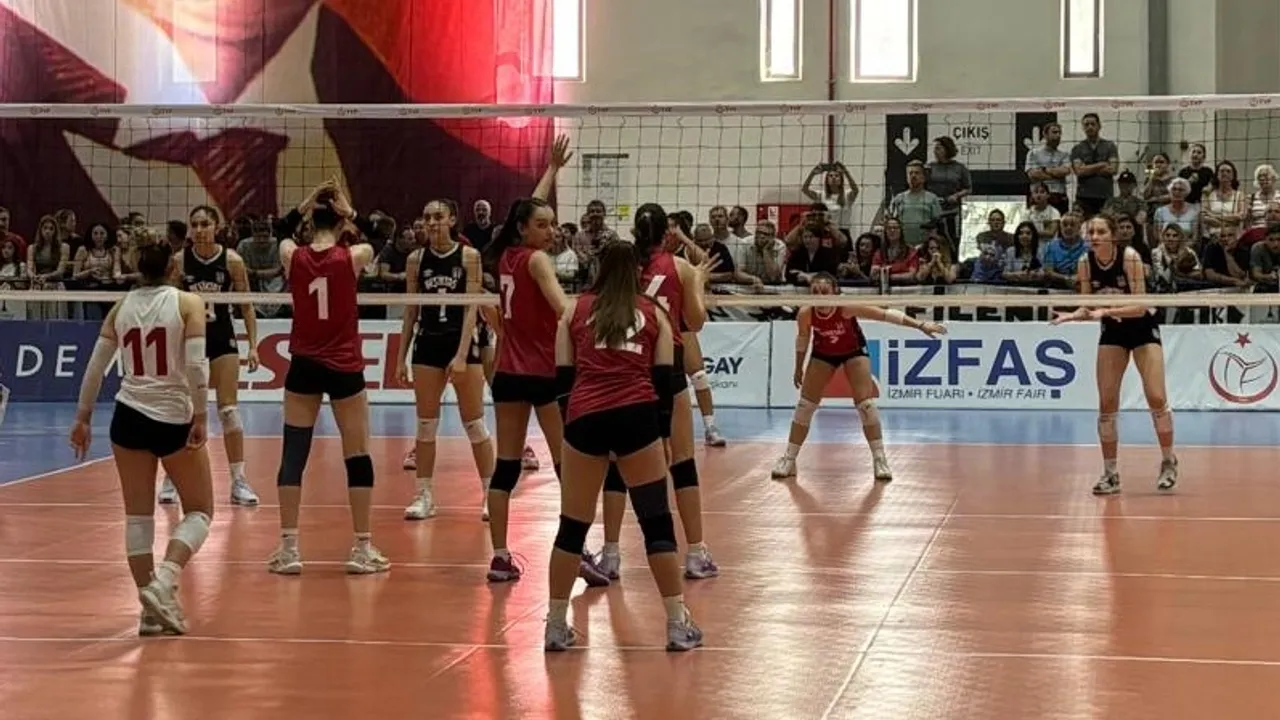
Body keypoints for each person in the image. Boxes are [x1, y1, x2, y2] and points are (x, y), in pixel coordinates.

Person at [546, 238, 702, 652]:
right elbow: (665, 381)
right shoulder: (655, 312)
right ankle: (676, 624)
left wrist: (572, 427)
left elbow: (562, 379)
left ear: (598, 268)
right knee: (656, 524)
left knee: (571, 527)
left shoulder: (573, 310)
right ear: (637, 271)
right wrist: (661, 435)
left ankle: (556, 625)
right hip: (637, 418)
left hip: (585, 418)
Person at [68, 228, 214, 636]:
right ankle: (164, 581)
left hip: (128, 416)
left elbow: (95, 368)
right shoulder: (188, 303)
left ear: (136, 265)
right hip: (172, 417)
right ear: (173, 266)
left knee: (137, 517)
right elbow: (196, 366)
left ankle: (148, 612)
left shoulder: (121, 307)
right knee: (200, 510)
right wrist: (201, 416)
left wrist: (82, 417)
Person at [481, 135, 609, 585]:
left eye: (554, 224)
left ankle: (499, 557)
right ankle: (579, 552)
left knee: (506, 468)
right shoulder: (537, 261)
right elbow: (564, 310)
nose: (552, 231)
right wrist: (601, 318)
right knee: (567, 466)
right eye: (544, 225)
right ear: (524, 229)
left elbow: (526, 208)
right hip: (544, 375)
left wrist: (552, 170)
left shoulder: (505, 255)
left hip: (507, 374)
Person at [267, 179, 389, 575]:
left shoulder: (293, 256)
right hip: (344, 366)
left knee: (293, 455)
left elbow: (280, 230)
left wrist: (306, 201)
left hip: (304, 364)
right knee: (357, 454)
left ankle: (289, 549)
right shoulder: (351, 257)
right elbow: (382, 237)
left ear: (309, 224)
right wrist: (349, 209)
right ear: (341, 225)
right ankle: (362, 548)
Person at [596, 204, 720, 580]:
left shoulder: (623, 268)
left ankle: (611, 554)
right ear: (667, 233)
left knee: (618, 462)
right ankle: (696, 553)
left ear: (635, 232)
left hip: (628, 366)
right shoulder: (681, 267)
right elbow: (695, 321)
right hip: (668, 368)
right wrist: (698, 280)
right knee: (682, 461)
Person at [771, 272, 945, 479]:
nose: (820, 297)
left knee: (866, 405)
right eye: (815, 292)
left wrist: (921, 325)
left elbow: (885, 314)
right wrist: (798, 367)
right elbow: (803, 340)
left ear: (835, 293)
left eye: (825, 292)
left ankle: (880, 459)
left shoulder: (846, 307)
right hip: (823, 354)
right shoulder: (806, 313)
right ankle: (789, 459)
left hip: (853, 351)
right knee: (805, 406)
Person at [1052, 213, 1177, 494]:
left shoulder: (1129, 257)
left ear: (1113, 236)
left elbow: (1140, 307)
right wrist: (1073, 315)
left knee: (1156, 397)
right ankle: (1110, 474)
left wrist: (1105, 311)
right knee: (1107, 404)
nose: (1094, 237)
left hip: (1142, 329)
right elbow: (1088, 305)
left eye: (1100, 232)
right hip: (1113, 331)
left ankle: (1169, 461)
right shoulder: (1085, 262)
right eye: (1091, 232)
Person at [396, 199, 494, 521]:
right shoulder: (415, 259)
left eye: (438, 216)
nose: (432, 222)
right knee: (426, 425)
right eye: (427, 217)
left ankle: (490, 494)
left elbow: (472, 307)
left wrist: (462, 354)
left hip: (461, 343)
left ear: (452, 220)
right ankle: (424, 495)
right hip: (427, 344)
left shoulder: (469, 256)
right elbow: (410, 310)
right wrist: (400, 358)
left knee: (474, 424)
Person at [160, 205, 260, 507]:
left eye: (205, 224)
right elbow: (168, 303)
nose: (200, 229)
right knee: (183, 410)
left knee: (229, 410)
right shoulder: (180, 261)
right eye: (195, 224)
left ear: (217, 226)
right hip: (190, 341)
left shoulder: (232, 260)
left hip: (222, 338)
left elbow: (246, 306)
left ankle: (239, 480)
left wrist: (253, 345)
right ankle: (172, 478)